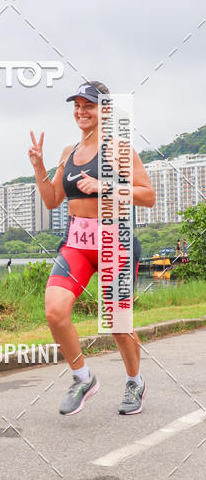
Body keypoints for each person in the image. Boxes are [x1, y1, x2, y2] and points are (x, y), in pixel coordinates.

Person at [28, 81, 156, 416]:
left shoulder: (120, 150)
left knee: (118, 323)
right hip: (77, 244)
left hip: (115, 242)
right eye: (77, 106)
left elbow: (148, 196)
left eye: (89, 105)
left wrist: (106, 186)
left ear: (105, 111)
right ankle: (82, 378)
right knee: (55, 311)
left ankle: (135, 382)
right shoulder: (68, 152)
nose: (81, 111)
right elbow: (52, 199)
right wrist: (39, 167)